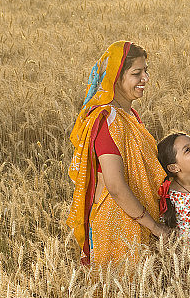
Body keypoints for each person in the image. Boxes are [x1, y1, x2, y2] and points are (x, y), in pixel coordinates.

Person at [67, 41, 169, 275]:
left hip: (137, 218)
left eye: (146, 71)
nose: (145, 78)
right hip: (116, 224)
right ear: (115, 78)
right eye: (136, 73)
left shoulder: (129, 115)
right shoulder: (107, 120)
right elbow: (115, 185)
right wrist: (154, 227)